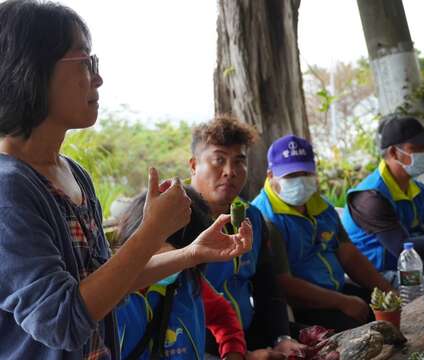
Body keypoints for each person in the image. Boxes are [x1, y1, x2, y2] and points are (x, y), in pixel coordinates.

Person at [0, 1, 251, 359]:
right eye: (86, 63)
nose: (98, 78)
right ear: (31, 69)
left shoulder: (74, 175)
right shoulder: (9, 189)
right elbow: (63, 321)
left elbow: (107, 282)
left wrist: (189, 253)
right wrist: (152, 231)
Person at [189, 116, 306, 357]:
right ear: (193, 165)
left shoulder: (251, 216)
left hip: (247, 332)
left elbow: (267, 287)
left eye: (239, 161)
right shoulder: (177, 218)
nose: (230, 172)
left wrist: (281, 338)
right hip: (196, 345)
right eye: (218, 160)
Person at [252, 135, 394, 332]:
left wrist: (387, 290)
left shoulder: (321, 207)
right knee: (362, 332)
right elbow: (283, 284)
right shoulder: (265, 219)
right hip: (300, 307)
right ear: (270, 176)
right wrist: (343, 303)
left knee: (388, 313)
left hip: (337, 290)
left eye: (306, 173)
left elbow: (349, 256)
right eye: (290, 176)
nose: (300, 181)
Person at [341, 115, 424, 286]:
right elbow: (401, 248)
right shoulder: (369, 197)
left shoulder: (417, 190)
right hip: (378, 276)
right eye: (416, 148)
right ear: (393, 152)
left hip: (411, 267)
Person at [114, 188, 250, 360]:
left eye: (183, 257)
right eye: (164, 255)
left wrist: (233, 351)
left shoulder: (189, 281)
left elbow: (222, 315)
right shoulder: (108, 297)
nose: (171, 264)